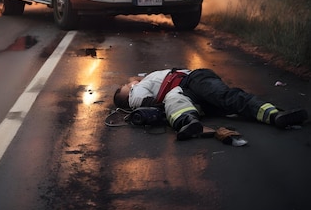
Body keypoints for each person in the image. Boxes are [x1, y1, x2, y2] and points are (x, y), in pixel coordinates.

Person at [113, 67, 308, 140]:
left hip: (192, 81)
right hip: (188, 91)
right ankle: (189, 121)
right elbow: (142, 100)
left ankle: (276, 116)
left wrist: (159, 112)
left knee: (223, 97)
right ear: (127, 91)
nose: (129, 83)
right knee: (228, 101)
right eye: (126, 86)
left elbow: (151, 103)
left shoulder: (146, 82)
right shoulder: (134, 91)